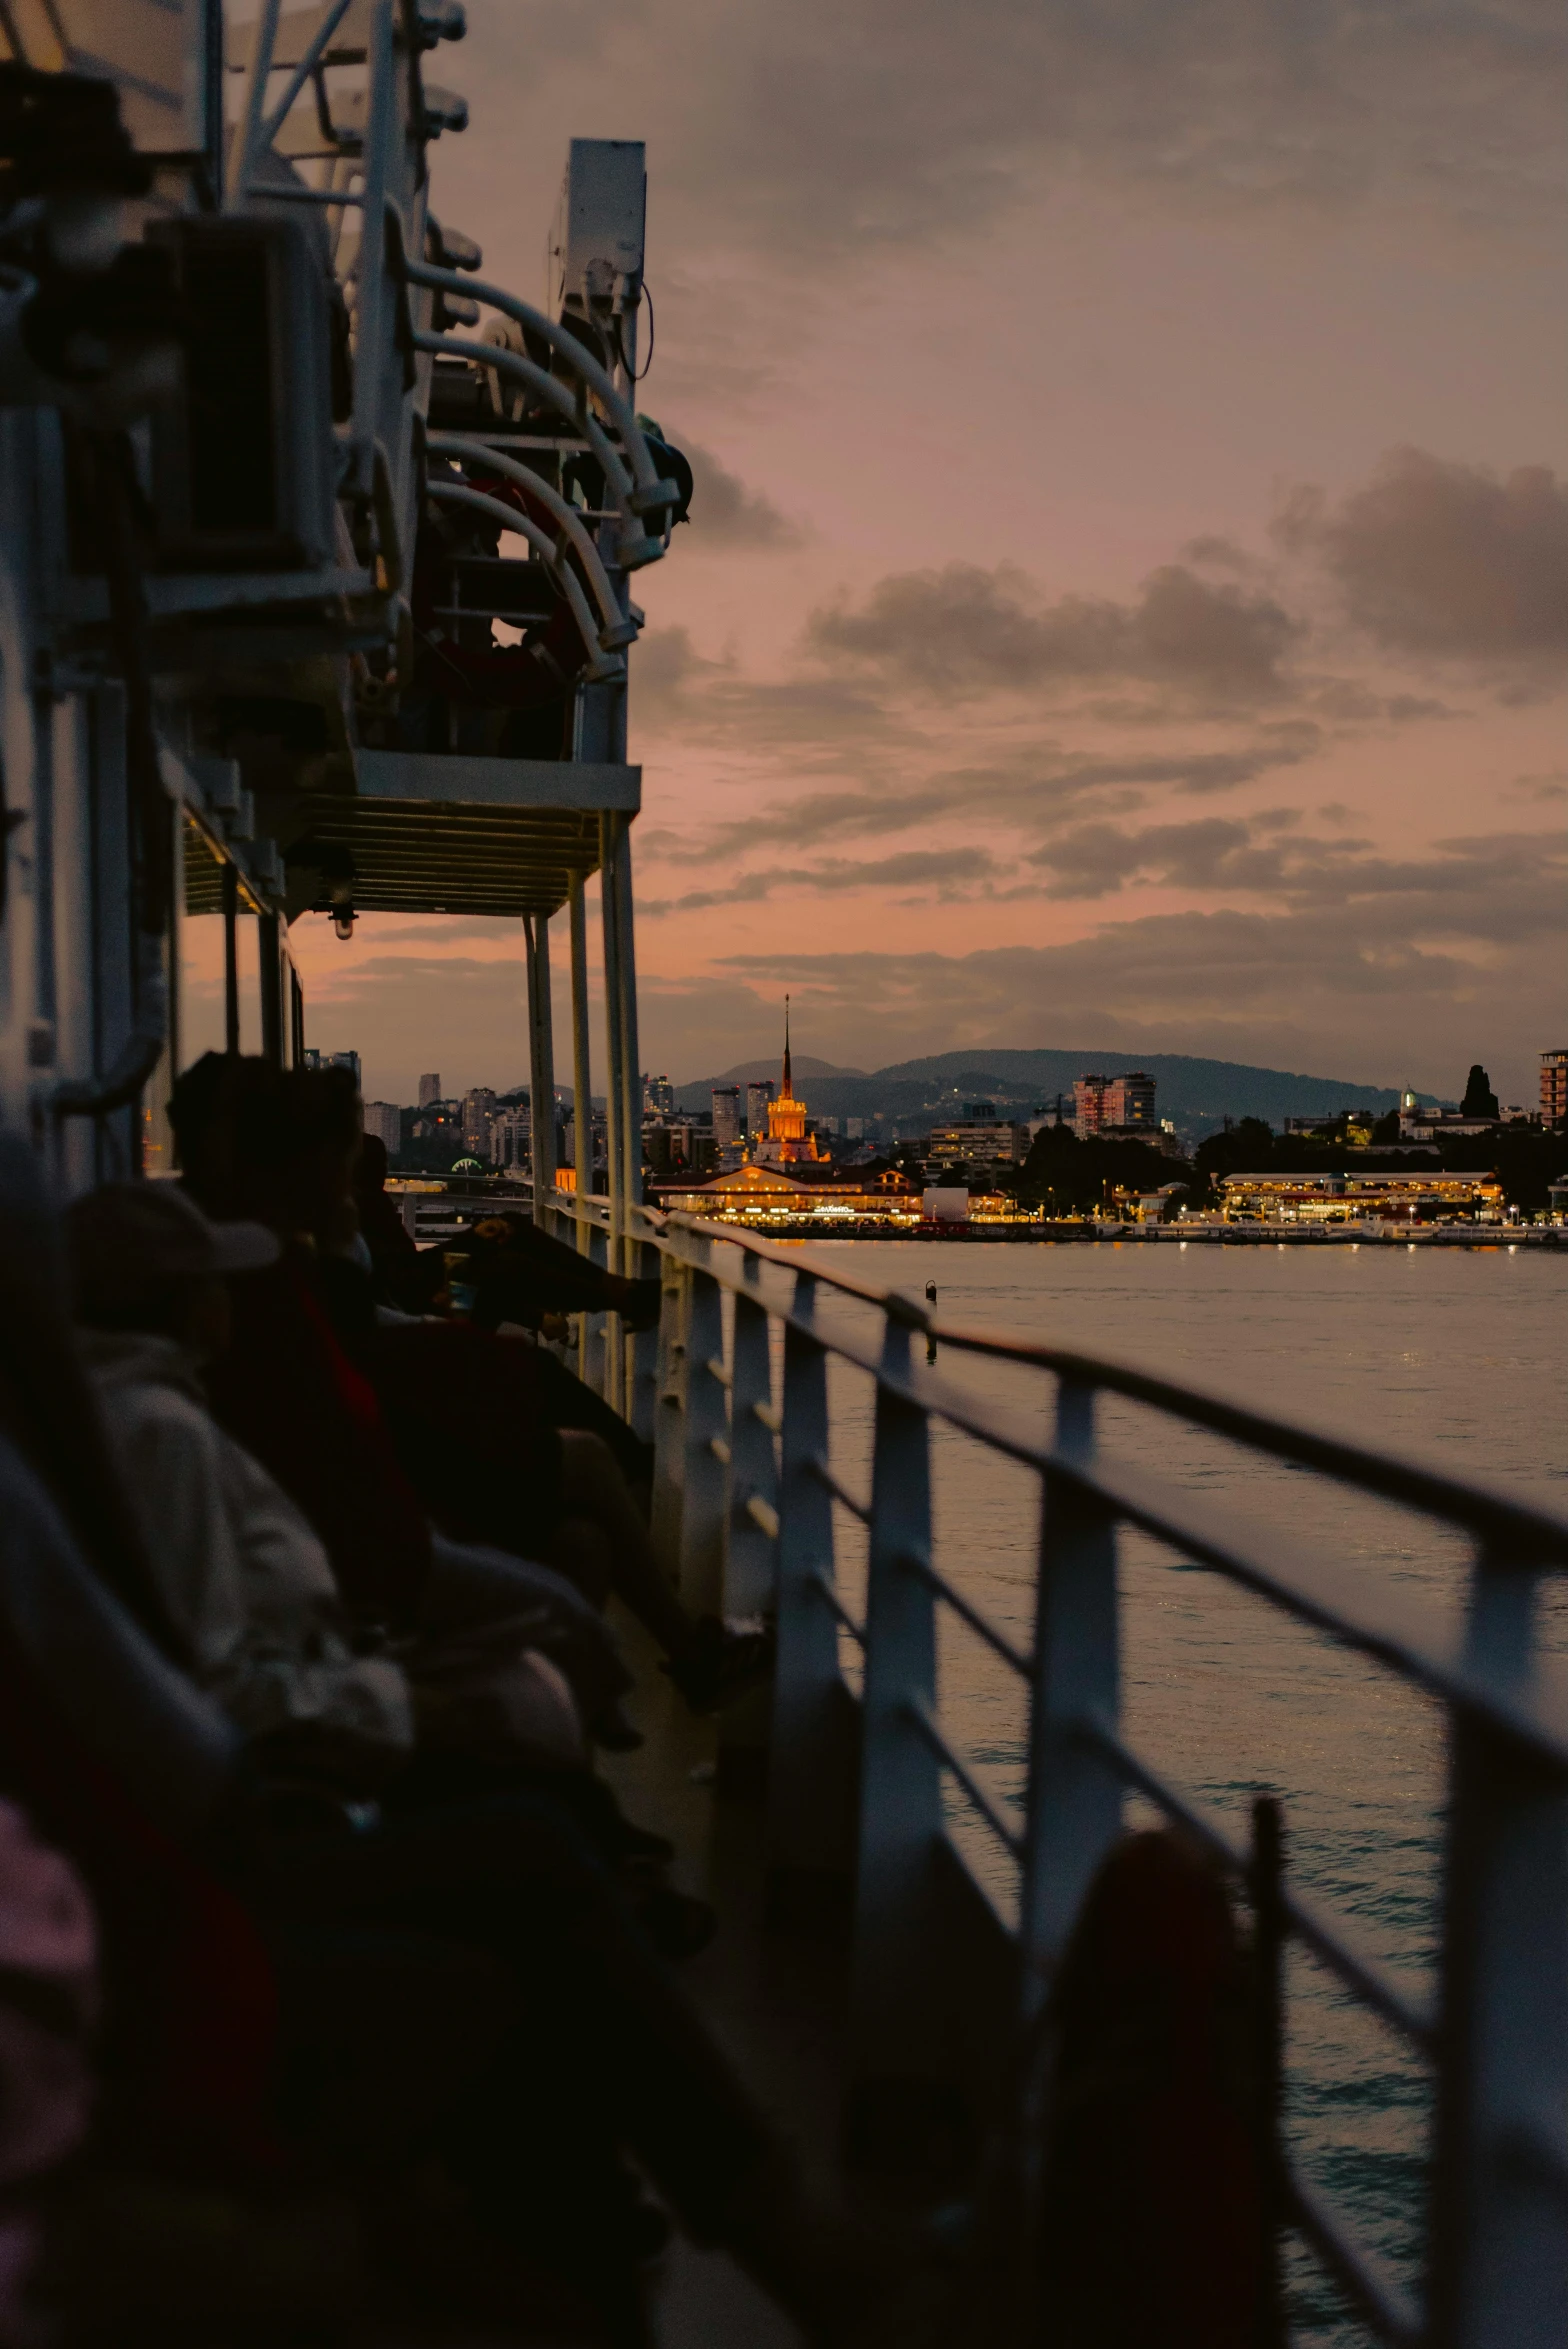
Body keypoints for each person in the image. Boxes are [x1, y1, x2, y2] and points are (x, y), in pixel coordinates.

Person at [172, 1055, 769, 1715]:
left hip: (402, 1379)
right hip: (392, 1453)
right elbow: (357, 1354)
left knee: (509, 1249)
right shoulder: (281, 1261)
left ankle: (639, 1674)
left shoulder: (282, 1248)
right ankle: (667, 1639)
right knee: (520, 1298)